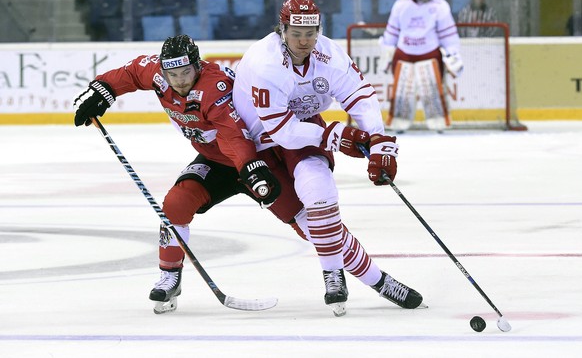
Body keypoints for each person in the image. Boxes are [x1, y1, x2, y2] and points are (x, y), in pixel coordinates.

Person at [73, 34, 421, 316]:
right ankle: (169, 278)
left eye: (185, 73)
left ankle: (377, 280)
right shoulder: (160, 74)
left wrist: (252, 171)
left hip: (256, 158)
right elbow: (133, 72)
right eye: (172, 74)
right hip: (218, 163)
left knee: (311, 225)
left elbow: (234, 137)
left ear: (198, 66)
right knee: (174, 205)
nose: (178, 81)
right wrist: (101, 91)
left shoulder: (215, 88)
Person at [232, 0, 423, 317]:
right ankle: (375, 279)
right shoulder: (264, 63)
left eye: (311, 33)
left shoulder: (329, 54)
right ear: (282, 30)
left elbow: (360, 95)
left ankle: (337, 275)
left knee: (320, 194)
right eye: (296, 34)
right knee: (309, 225)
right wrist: (335, 135)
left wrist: (379, 140)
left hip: (303, 127)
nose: (304, 42)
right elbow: (280, 131)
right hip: (252, 146)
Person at [378, 0, 463, 132]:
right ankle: (398, 124)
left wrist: (453, 54)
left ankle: (439, 124)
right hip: (404, 54)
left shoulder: (439, 6)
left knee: (433, 92)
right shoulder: (401, 5)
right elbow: (392, 31)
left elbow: (448, 35)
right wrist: (386, 53)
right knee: (403, 93)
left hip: (430, 54)